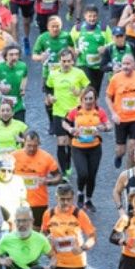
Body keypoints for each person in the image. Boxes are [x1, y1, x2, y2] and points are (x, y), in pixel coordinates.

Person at [41, 185, 95, 269]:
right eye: (62, 199)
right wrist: (47, 240)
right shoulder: (49, 214)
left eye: (68, 200)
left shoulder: (79, 214)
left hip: (77, 262)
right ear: (56, 198)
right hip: (59, 262)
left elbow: (92, 236)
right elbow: (44, 232)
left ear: (73, 199)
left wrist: (83, 247)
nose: (65, 203)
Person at [45, 47, 90, 176]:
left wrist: (80, 93)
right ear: (59, 61)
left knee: (71, 142)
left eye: (69, 61)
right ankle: (64, 171)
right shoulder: (53, 74)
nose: (66, 64)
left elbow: (89, 89)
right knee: (61, 141)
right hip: (58, 112)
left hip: (74, 113)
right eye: (63, 61)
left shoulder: (79, 73)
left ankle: (69, 163)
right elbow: (48, 88)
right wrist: (50, 97)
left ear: (73, 61)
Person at [105, 55, 135, 171]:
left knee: (133, 148)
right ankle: (119, 156)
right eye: (123, 64)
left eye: (128, 64)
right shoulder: (115, 78)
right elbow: (107, 97)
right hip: (121, 118)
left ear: (134, 65)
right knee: (121, 150)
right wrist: (113, 113)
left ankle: (129, 174)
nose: (125, 66)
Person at [13, 132, 62, 227]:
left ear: (39, 143)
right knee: (18, 231)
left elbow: (58, 177)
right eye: (29, 145)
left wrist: (47, 181)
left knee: (37, 232)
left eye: (35, 146)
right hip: (17, 201)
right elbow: (3, 174)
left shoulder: (46, 158)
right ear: (24, 143)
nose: (32, 149)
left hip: (39, 202)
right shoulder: (14, 156)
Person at [70, 5, 110, 92]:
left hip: (99, 65)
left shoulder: (104, 28)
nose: (92, 19)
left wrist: (105, 48)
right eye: (90, 16)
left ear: (98, 16)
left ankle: (93, 103)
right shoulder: (77, 28)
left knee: (95, 90)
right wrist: (74, 50)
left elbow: (112, 43)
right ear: (85, 16)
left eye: (94, 16)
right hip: (83, 63)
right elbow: (69, 42)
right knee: (88, 88)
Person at [0, 44, 30, 122]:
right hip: (2, 107)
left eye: (17, 54)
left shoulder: (23, 66)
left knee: (20, 131)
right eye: (11, 55)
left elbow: (25, 76)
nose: (14, 57)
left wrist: (23, 87)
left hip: (18, 105)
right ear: (5, 56)